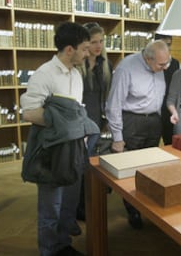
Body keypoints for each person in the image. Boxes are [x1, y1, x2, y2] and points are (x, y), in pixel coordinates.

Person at [20, 21, 92, 256]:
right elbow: (29, 112)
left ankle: (62, 245)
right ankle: (48, 251)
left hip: (74, 149)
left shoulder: (77, 74)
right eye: (84, 48)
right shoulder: (44, 74)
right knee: (51, 208)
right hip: (52, 151)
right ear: (69, 49)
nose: (87, 53)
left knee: (68, 205)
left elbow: (76, 109)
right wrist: (68, 125)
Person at [105, 40, 170, 229]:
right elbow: (114, 104)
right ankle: (132, 208)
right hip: (132, 121)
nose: (165, 68)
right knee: (132, 169)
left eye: (167, 62)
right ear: (148, 59)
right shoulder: (126, 68)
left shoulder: (160, 63)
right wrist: (117, 137)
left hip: (154, 121)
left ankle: (147, 205)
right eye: (161, 64)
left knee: (150, 167)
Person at [75, 22, 113, 223]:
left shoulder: (105, 66)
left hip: (97, 123)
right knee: (80, 167)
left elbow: (106, 97)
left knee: (91, 166)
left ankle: (87, 204)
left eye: (101, 41)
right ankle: (78, 207)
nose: (98, 46)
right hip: (79, 125)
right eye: (93, 42)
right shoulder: (77, 67)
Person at [154, 33, 181, 145]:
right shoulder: (150, 64)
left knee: (170, 145)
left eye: (169, 44)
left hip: (170, 111)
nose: (167, 48)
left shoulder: (177, 64)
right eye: (163, 44)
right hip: (153, 112)